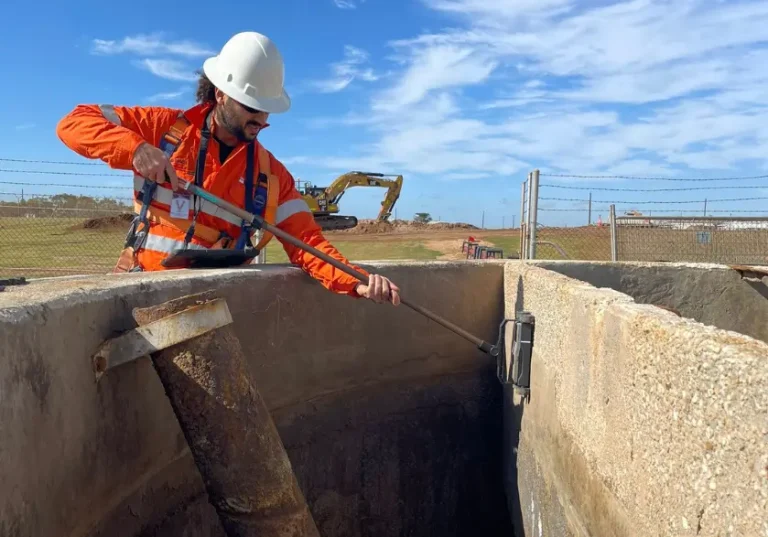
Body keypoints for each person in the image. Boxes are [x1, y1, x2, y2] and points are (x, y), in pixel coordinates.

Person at [56, 31, 400, 306]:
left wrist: (356, 281)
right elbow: (74, 122)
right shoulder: (164, 130)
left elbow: (307, 242)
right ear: (220, 94)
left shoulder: (271, 173)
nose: (262, 119)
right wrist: (135, 148)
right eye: (252, 107)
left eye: (267, 110)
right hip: (146, 293)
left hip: (220, 305)